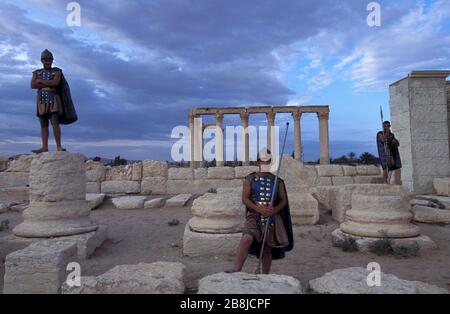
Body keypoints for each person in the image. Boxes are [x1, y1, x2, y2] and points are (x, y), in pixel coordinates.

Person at [225, 148, 293, 274]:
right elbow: (245, 198)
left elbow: (283, 200)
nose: (265, 164)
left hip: (272, 218)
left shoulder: (278, 181)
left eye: (268, 161)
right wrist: (257, 208)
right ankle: (236, 268)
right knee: (246, 239)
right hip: (254, 216)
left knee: (267, 247)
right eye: (263, 161)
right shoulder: (250, 179)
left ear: (271, 162)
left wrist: (274, 210)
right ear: (258, 162)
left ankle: (265, 274)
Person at [30, 49, 77, 153]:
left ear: (52, 60)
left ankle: (59, 146)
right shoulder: (36, 72)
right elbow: (33, 85)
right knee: (43, 123)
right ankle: (44, 147)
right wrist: (47, 82)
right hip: (41, 99)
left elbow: (55, 83)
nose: (47, 62)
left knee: (55, 122)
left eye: (49, 60)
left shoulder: (57, 71)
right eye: (45, 60)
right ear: (42, 60)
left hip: (53, 98)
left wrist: (40, 81)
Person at [377, 121, 402, 185]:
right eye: (385, 126)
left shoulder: (391, 135)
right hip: (383, 152)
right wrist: (387, 133)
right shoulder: (380, 133)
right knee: (385, 167)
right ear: (383, 127)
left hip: (390, 153)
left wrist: (395, 141)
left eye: (388, 126)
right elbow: (382, 140)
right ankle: (385, 182)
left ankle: (390, 181)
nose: (387, 127)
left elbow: (396, 143)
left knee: (392, 166)